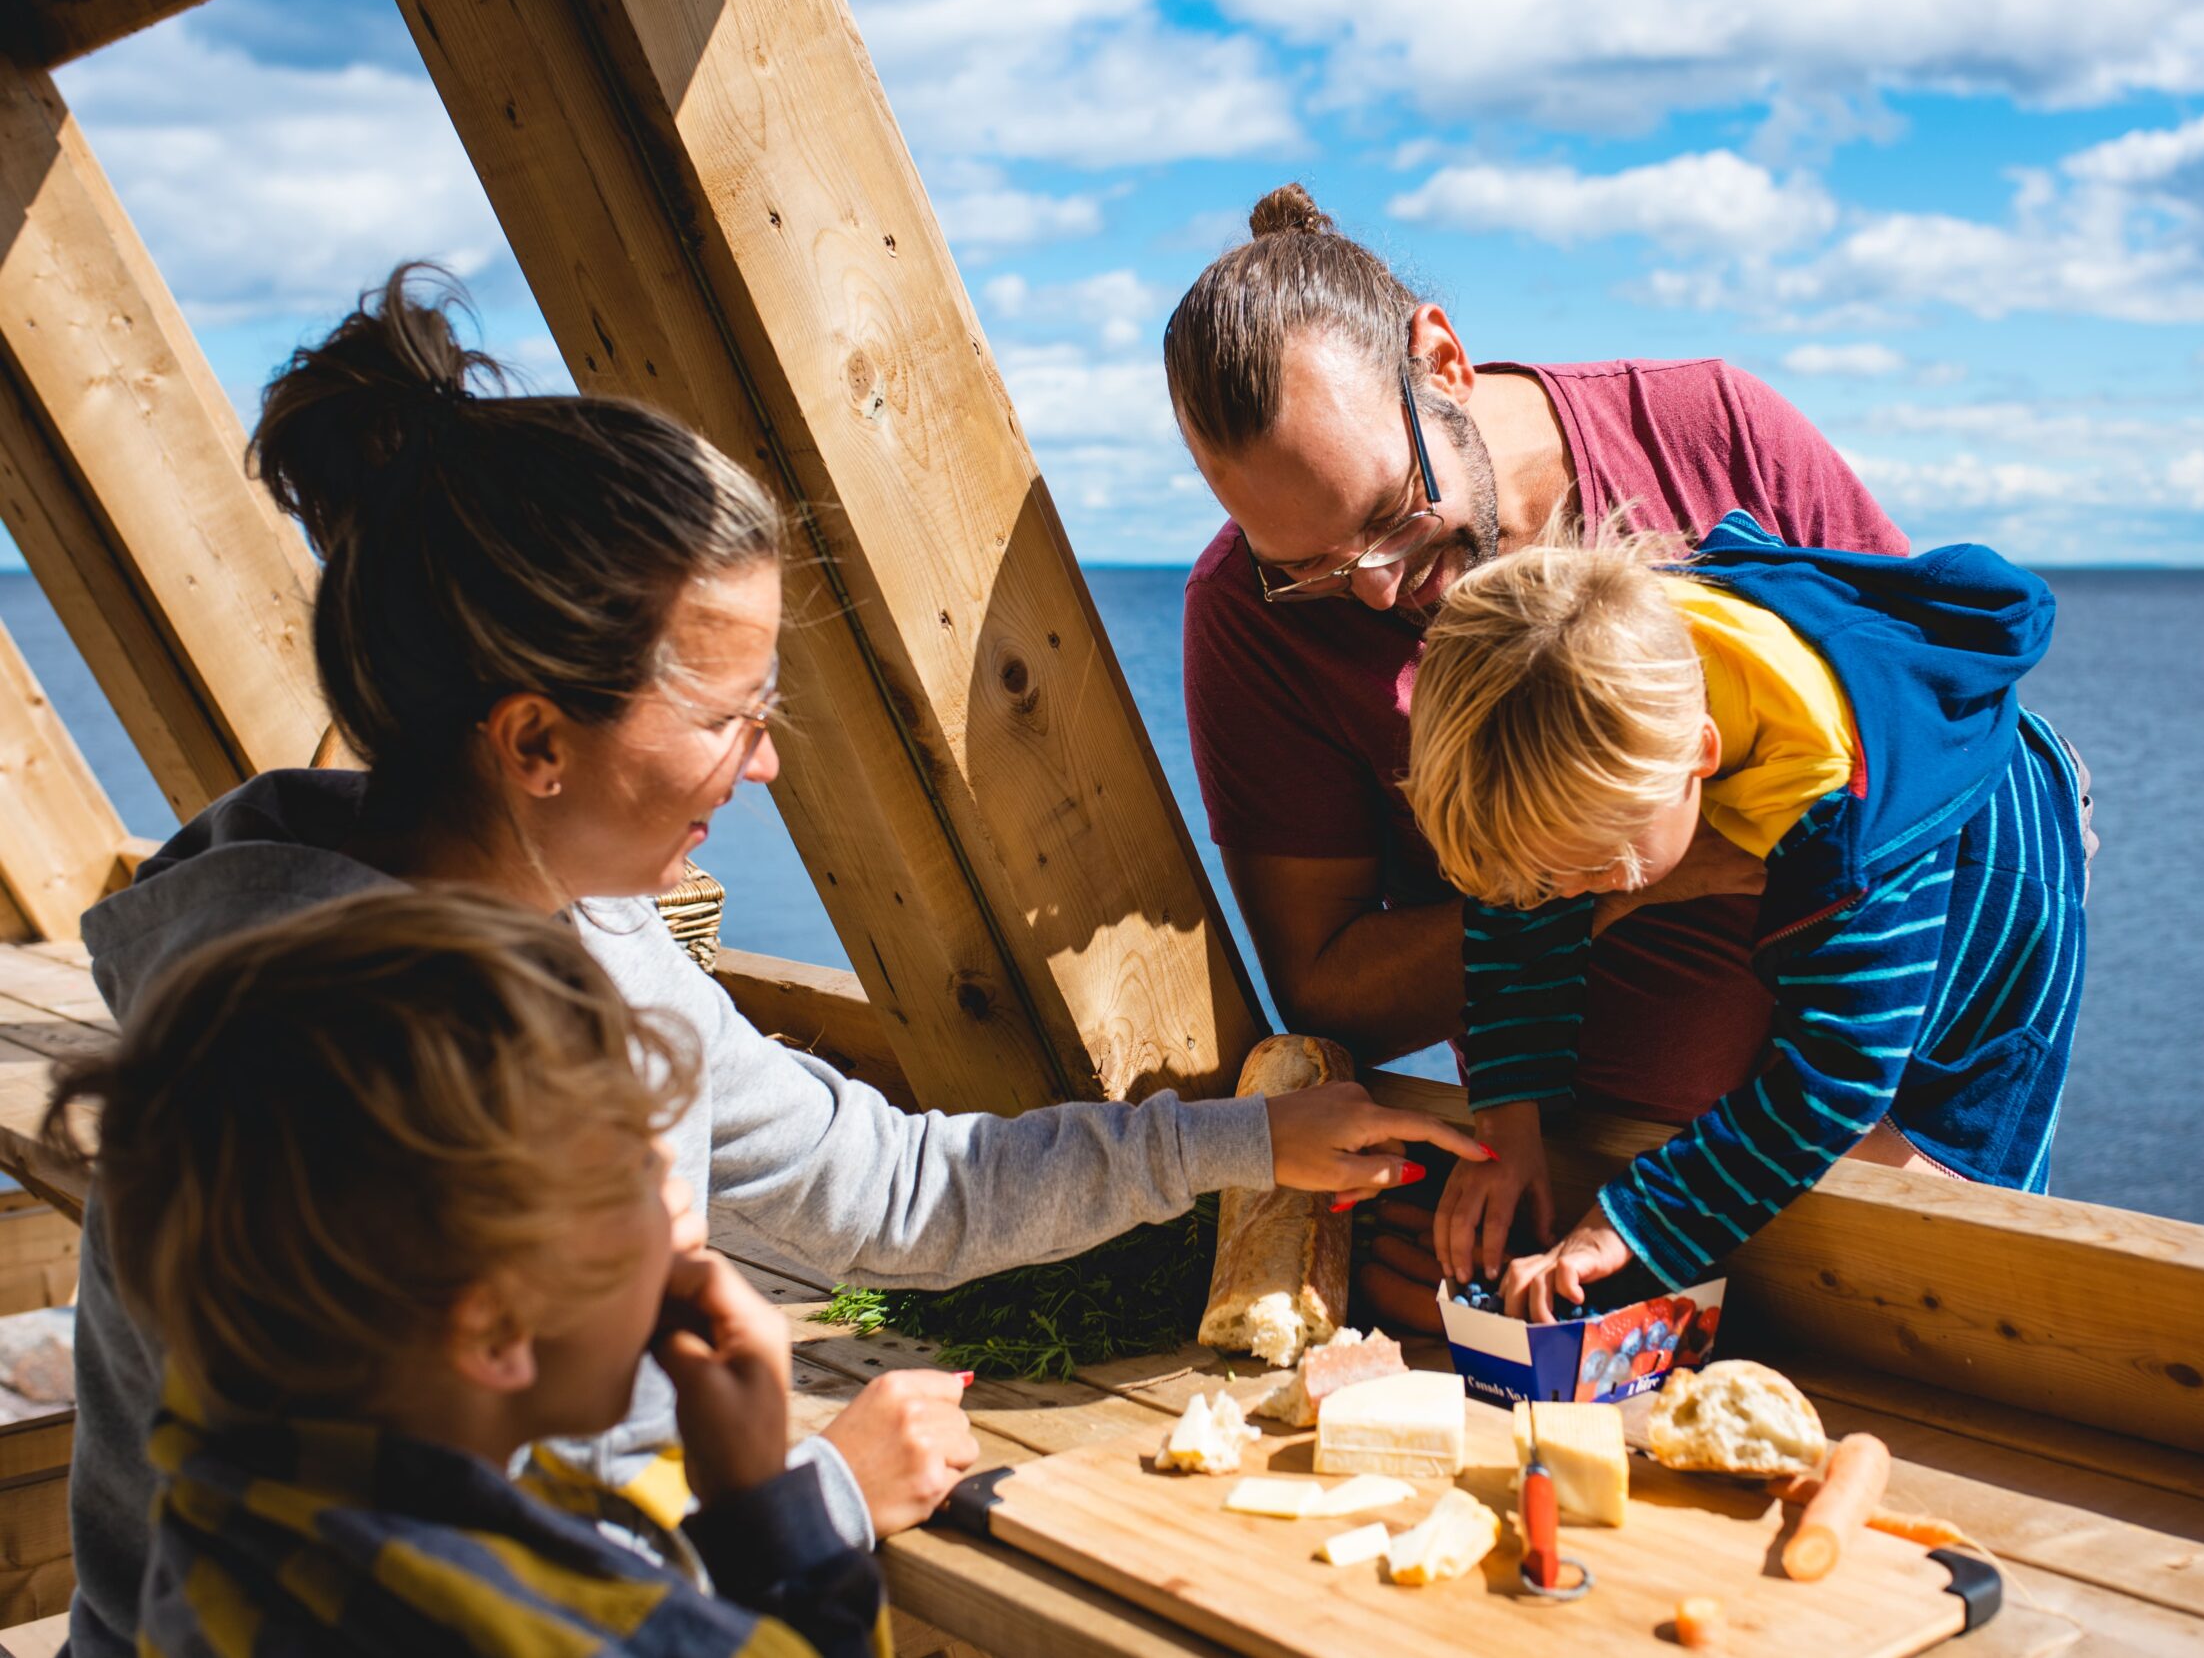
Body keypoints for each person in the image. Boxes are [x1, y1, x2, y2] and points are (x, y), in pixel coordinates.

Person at [63, 264, 1484, 1657]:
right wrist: (815, 1499)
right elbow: (427, 1569)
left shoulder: (579, 934)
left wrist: (1244, 1141)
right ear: (537, 741)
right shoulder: (328, 1089)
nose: (768, 760)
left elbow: (886, 1186)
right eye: (732, 716)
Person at [1164, 184, 1915, 1324]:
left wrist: (1947, 1129)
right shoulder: (1250, 615)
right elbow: (1327, 986)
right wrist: (1605, 897)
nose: (1369, 587)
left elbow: (1930, 765)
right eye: (1307, 564)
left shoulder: (1712, 432)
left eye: (1386, 512)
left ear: (1443, 359)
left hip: (1857, 1147)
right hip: (1562, 1196)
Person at [49, 888, 892, 1656]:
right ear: (493, 1330)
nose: (681, 1212)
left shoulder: (230, 1484)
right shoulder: (578, 1635)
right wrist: (771, 1513)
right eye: (639, 1180)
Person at [1401, 515, 2092, 1315]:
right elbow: (1517, 903)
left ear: (1697, 754)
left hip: (1992, 846)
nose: (1562, 897)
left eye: (1597, 870)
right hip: (1837, 763)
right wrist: (1508, 1119)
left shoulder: (1843, 822)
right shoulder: (1589, 657)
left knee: (1944, 1167)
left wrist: (1627, 1223)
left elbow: (1838, 1073)